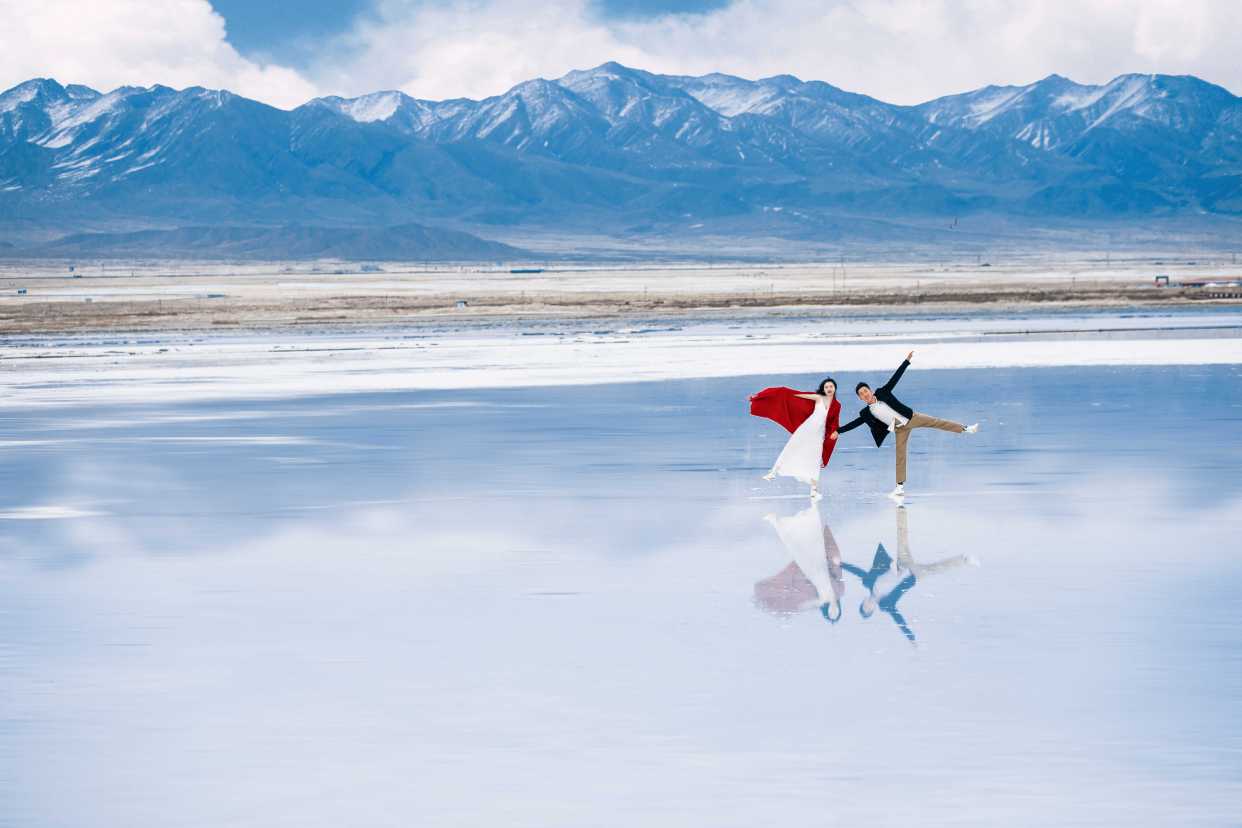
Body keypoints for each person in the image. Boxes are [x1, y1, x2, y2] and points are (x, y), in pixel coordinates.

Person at [832, 351, 978, 498]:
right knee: (900, 456)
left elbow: (895, 378)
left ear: (870, 390)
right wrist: (839, 431)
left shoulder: (883, 392)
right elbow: (854, 423)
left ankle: (965, 428)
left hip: (911, 417)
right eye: (861, 394)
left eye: (865, 391)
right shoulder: (866, 413)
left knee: (936, 422)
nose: (865, 394)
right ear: (860, 398)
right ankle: (899, 487)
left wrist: (906, 361)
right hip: (898, 429)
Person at [842, 505, 976, 643]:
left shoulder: (869, 583)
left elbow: (857, 571)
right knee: (937, 568)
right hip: (913, 575)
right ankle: (964, 560)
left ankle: (901, 508)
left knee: (902, 539)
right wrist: (910, 637)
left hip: (902, 565)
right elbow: (898, 618)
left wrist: (840, 564)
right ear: (873, 609)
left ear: (863, 601)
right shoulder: (886, 605)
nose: (868, 605)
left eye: (865, 606)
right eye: (869, 609)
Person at [749, 377, 842, 500]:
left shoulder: (837, 405)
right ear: (823, 389)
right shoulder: (818, 397)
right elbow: (794, 395)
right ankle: (773, 473)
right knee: (791, 447)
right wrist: (779, 393)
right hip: (806, 428)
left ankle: (813, 490)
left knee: (814, 460)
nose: (829, 389)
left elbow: (834, 421)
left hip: (818, 434)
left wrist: (835, 431)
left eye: (831, 386)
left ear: (835, 388)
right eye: (826, 387)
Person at [754, 502, 846, 623]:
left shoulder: (817, 599)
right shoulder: (838, 591)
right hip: (821, 562)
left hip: (813, 568)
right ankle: (807, 517)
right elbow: (836, 567)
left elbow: (804, 599)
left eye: (831, 612)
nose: (833, 609)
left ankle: (779, 521)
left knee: (798, 546)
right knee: (807, 540)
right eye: (835, 611)